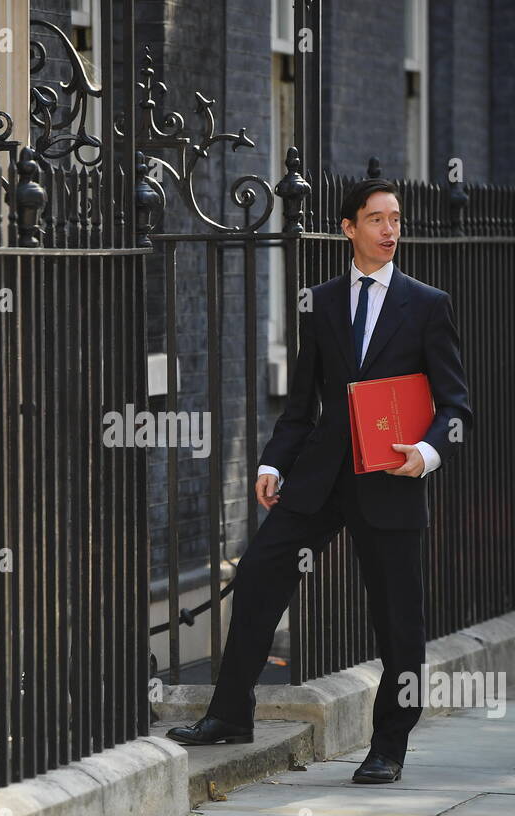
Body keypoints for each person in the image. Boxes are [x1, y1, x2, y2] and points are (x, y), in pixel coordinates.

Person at [166, 178, 474, 783]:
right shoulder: (323, 302)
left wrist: (427, 453)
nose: (391, 230)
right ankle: (230, 714)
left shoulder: (428, 304)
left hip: (390, 479)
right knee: (257, 575)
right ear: (348, 228)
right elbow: (302, 404)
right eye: (377, 219)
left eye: (396, 219)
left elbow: (455, 406)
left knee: (398, 621)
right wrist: (272, 463)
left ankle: (389, 744)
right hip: (320, 479)